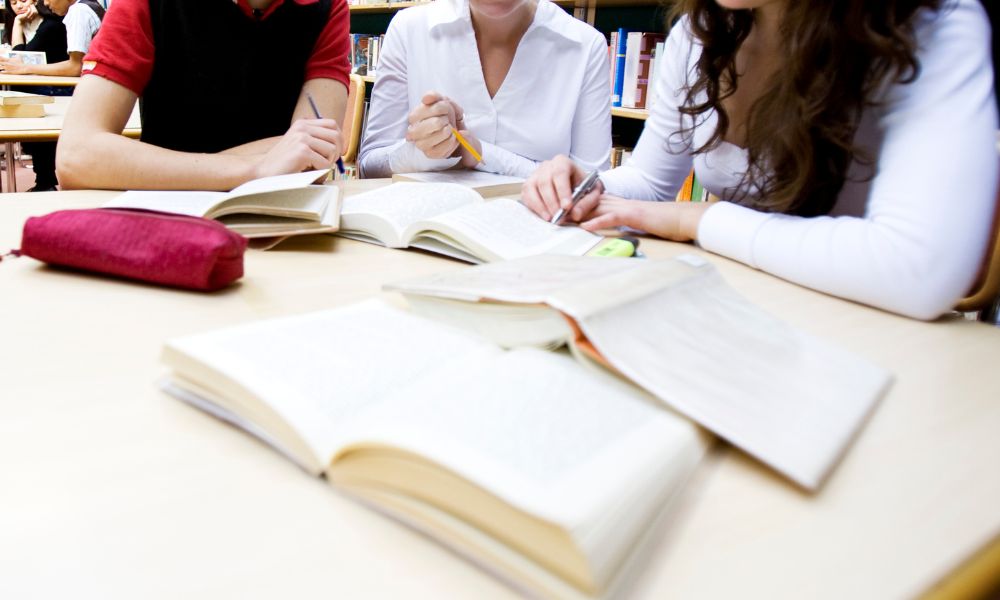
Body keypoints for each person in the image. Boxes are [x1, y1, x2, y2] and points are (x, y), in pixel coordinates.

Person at [523, 0, 998, 320]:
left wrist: (700, 218)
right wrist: (587, 185)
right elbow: (651, 182)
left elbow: (917, 269)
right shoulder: (699, 32)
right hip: (734, 308)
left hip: (863, 327)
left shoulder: (934, 25)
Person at [55, 0, 351, 191]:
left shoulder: (327, 7)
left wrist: (145, 166)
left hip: (281, 222)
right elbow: (76, 156)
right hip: (166, 221)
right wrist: (253, 169)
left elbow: (311, 159)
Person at [358, 0, 611, 179]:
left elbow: (592, 186)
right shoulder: (409, 29)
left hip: (538, 238)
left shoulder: (586, 45)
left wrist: (478, 153)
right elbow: (369, 167)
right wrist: (427, 151)